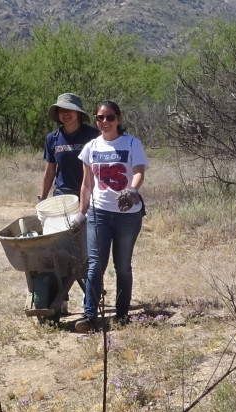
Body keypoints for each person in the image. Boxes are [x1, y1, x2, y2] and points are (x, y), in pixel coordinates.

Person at [75, 101, 148, 333]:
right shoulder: (91, 147)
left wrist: (133, 190)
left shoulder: (132, 143)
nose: (104, 122)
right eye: (99, 118)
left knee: (122, 265)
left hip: (128, 214)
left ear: (118, 119)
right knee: (96, 265)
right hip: (99, 212)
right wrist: (81, 213)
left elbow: (138, 171)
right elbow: (87, 184)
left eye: (109, 117)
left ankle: (122, 314)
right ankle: (89, 316)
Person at [38, 93, 99, 202]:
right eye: (61, 110)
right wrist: (42, 198)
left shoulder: (94, 135)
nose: (65, 113)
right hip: (62, 195)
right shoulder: (52, 138)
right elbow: (50, 171)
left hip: (90, 194)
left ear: (78, 112)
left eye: (70, 109)